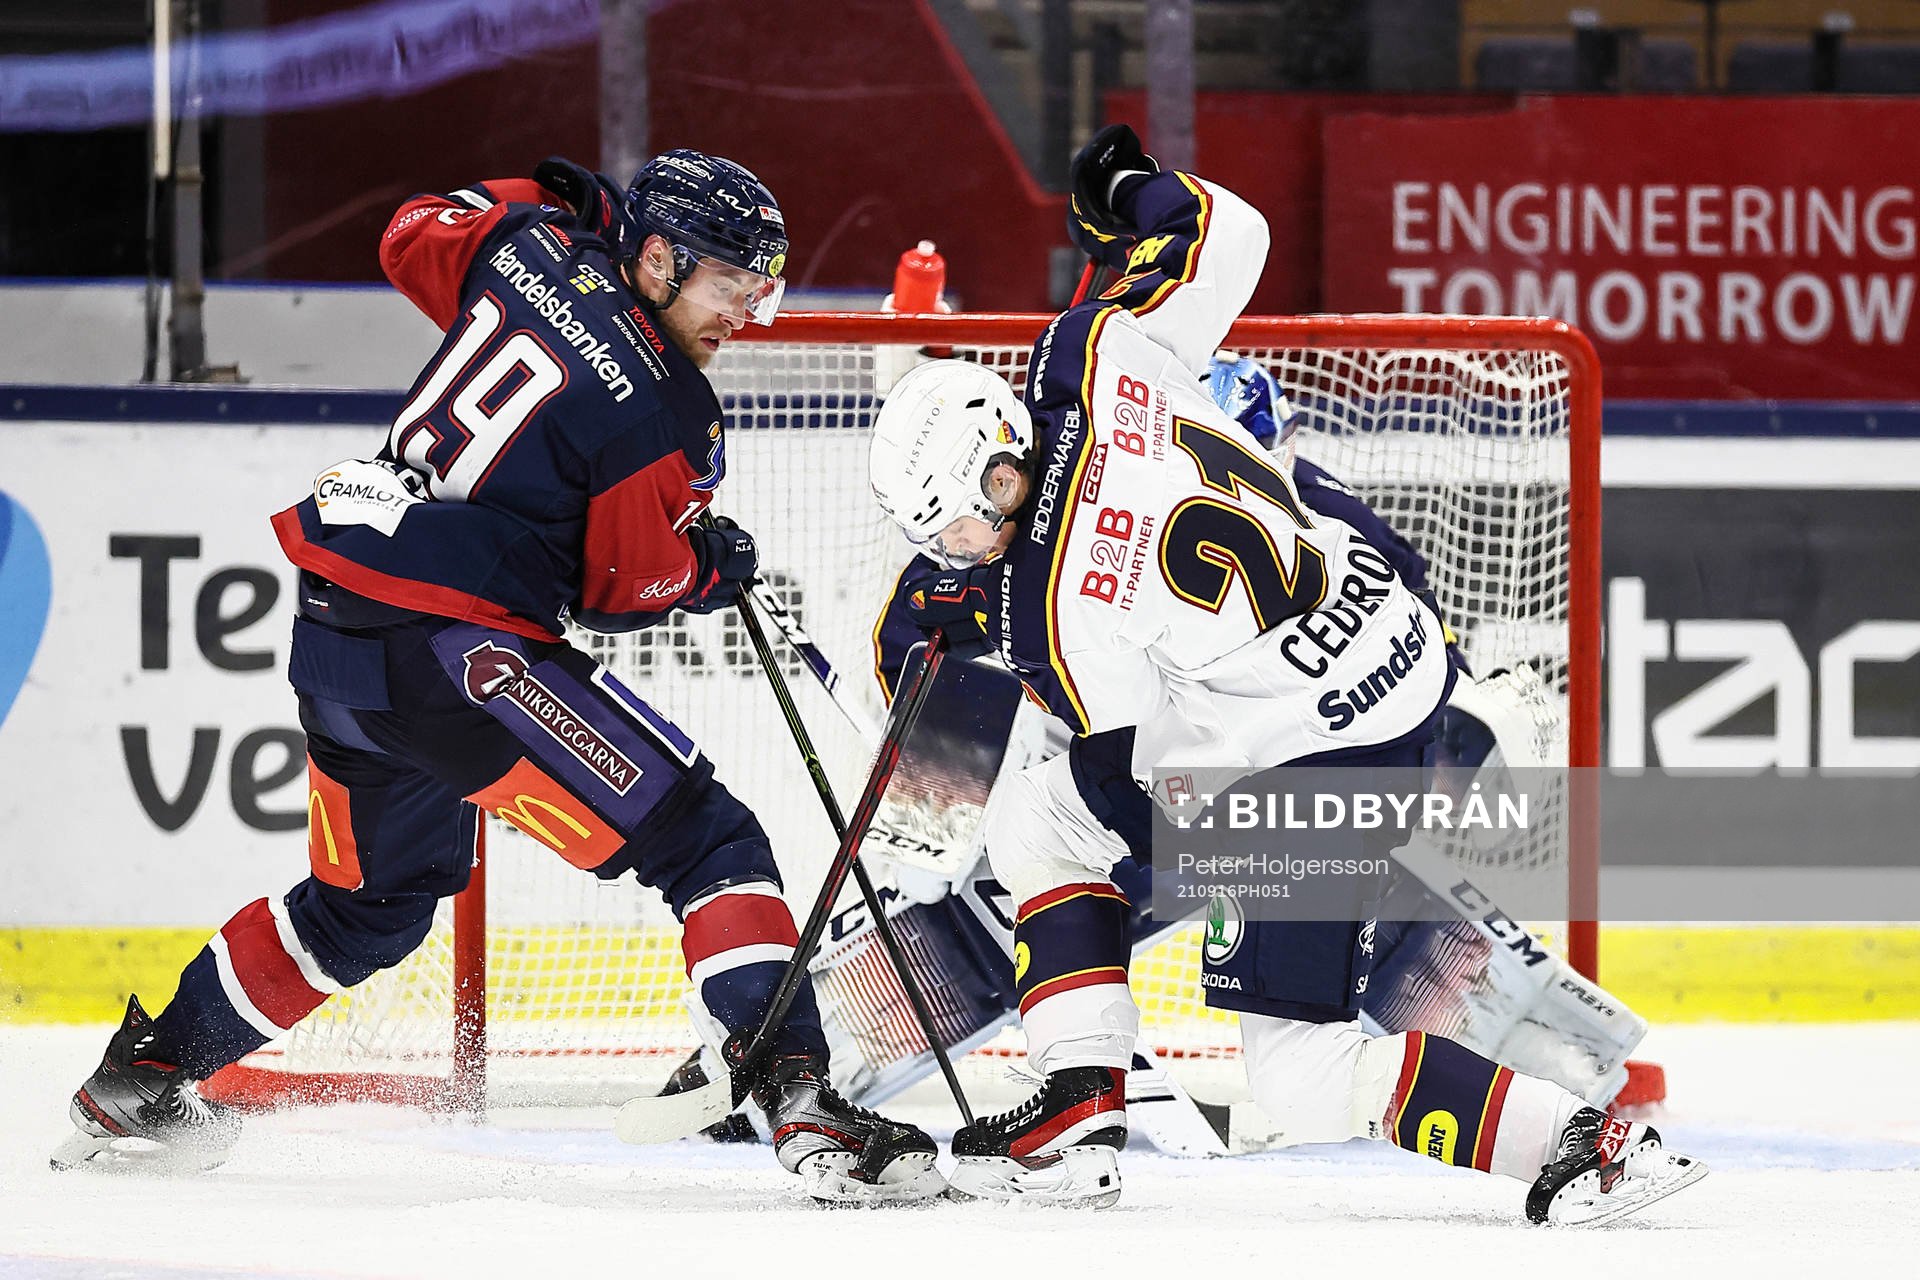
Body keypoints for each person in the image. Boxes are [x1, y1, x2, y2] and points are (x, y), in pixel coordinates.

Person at [52, 149, 944, 1204]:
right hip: (460, 650)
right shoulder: (669, 413)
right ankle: (800, 1095)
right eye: (727, 283)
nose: (744, 312)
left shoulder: (528, 248)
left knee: (369, 906)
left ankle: (144, 1078)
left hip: (338, 625)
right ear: (656, 256)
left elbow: (409, 231)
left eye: (757, 289)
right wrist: (708, 564)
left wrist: (543, 197)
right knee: (707, 838)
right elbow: (624, 585)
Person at [865, 124, 1705, 1222]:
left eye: (960, 535)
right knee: (1075, 823)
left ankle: (1582, 1145)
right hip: (1395, 654)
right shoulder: (1092, 352)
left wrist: (1195, 876)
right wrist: (1127, 187)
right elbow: (1228, 231)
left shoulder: (1052, 611)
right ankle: (1084, 1106)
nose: (963, 555)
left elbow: (1124, 790)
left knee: (1092, 869)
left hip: (1311, 765)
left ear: (984, 489)